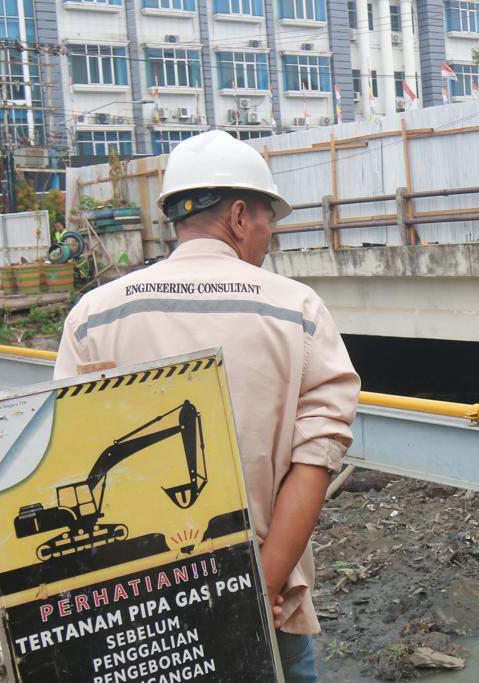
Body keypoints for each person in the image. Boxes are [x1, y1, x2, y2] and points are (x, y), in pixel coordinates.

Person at [54, 130, 360, 683]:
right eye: (269, 220)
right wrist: (255, 589)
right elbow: (317, 457)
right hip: (265, 615)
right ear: (240, 216)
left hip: (138, 625)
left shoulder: (93, 316)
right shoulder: (296, 310)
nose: (268, 237)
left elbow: (67, 455)